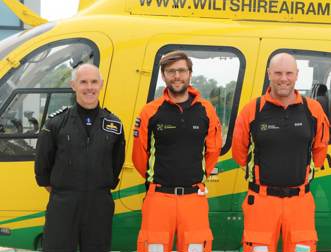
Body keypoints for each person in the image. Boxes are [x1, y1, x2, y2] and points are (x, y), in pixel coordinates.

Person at [232, 53, 330, 252]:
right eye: (278, 73)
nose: (283, 79)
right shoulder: (253, 109)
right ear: (269, 74)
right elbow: (239, 152)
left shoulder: (313, 110)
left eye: (288, 73)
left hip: (300, 202)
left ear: (296, 75)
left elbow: (320, 150)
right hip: (261, 201)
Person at [132, 51, 222, 252]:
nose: (177, 76)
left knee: (196, 247)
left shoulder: (206, 110)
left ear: (190, 74)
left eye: (181, 71)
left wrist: (196, 177)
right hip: (158, 198)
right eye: (171, 71)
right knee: (153, 247)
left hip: (194, 198)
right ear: (163, 76)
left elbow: (213, 151)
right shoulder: (150, 111)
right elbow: (139, 155)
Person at [35, 63, 126, 252]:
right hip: (63, 204)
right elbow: (43, 166)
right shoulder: (56, 123)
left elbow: (117, 163)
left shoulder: (114, 124)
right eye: (83, 82)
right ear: (73, 85)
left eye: (94, 82)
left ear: (101, 84)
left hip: (99, 204)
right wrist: (65, 191)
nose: (89, 87)